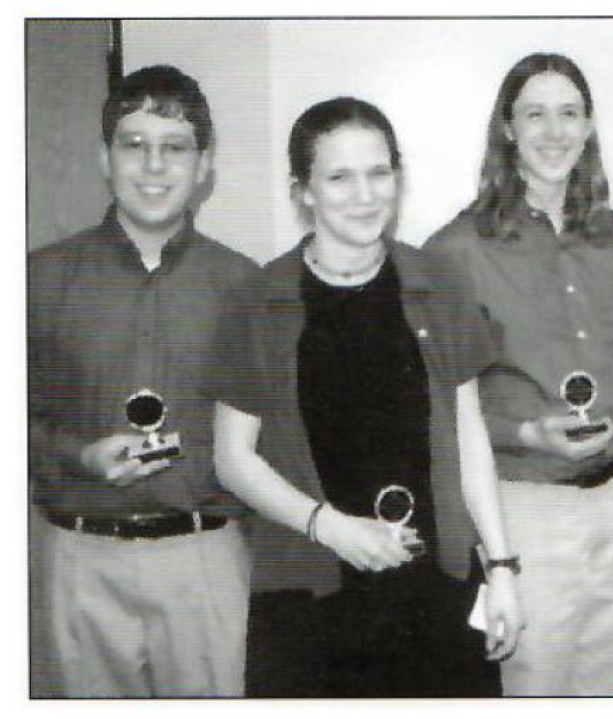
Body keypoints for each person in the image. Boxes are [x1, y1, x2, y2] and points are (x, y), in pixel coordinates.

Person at [210, 97, 523, 697]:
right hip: (310, 597)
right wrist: (331, 529)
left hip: (434, 590)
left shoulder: (439, 282)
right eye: (339, 177)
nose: (364, 194)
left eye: (379, 173)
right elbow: (232, 457)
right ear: (303, 190)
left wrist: (503, 568)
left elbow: (470, 441)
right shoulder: (259, 300)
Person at [425, 53, 613, 697]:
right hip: (526, 506)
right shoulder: (455, 251)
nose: (553, 131)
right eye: (535, 114)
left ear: (589, 128)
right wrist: (528, 432)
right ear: (507, 128)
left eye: (569, 113)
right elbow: (443, 410)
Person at [28, 65, 257, 697]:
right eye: (134, 145)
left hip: (205, 556)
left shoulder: (247, 288)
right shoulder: (35, 281)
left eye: (175, 147)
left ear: (203, 165)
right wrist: (79, 455)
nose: (153, 166)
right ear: (106, 158)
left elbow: (273, 437)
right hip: (81, 559)